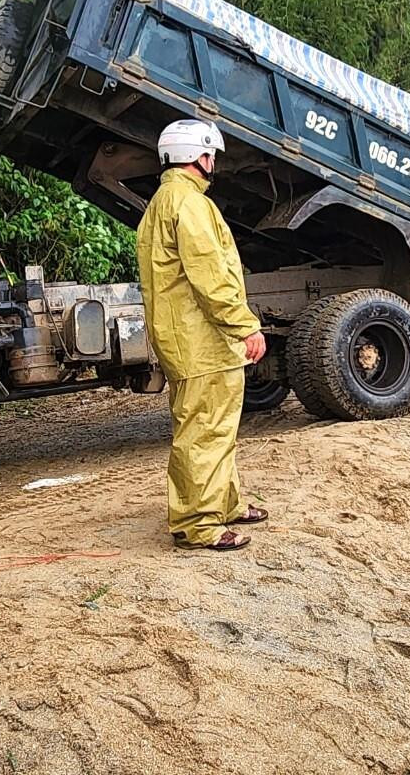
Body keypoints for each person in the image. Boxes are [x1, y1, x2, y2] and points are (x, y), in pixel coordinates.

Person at [136, 119, 269, 552]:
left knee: (213, 427)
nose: (215, 163)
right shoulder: (191, 205)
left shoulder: (162, 201)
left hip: (186, 340)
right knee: (205, 431)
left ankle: (224, 503)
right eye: (213, 155)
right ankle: (199, 524)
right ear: (201, 156)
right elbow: (211, 277)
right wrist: (244, 325)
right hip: (204, 342)